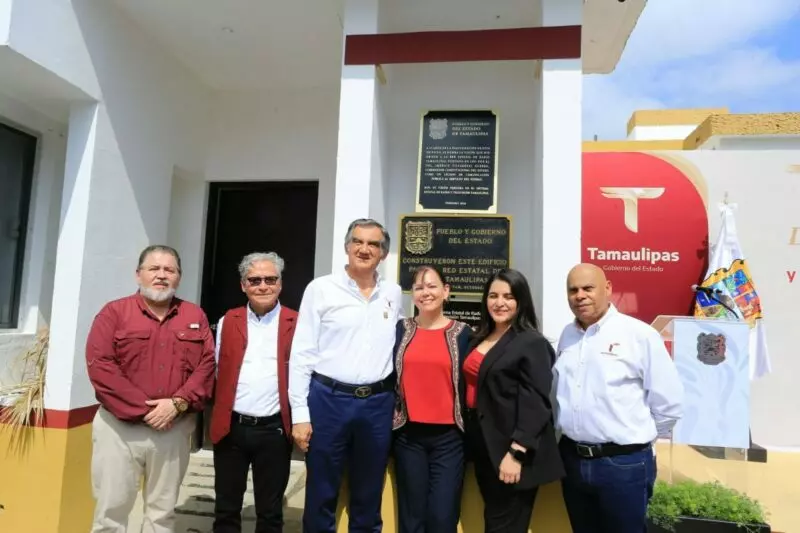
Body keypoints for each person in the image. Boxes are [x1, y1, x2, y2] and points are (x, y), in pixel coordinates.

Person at [85, 245, 216, 533]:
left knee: (162, 515)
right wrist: (147, 410)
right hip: (119, 431)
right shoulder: (114, 313)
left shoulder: (194, 315)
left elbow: (207, 365)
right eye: (154, 268)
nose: (161, 275)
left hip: (173, 429)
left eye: (169, 270)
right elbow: (101, 366)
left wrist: (177, 404)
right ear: (138, 274)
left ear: (179, 277)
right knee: (110, 515)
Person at [288, 218, 403, 533]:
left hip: (377, 403)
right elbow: (302, 354)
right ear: (346, 246)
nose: (364, 249)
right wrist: (300, 414)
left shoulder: (393, 293)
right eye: (358, 242)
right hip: (329, 401)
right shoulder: (321, 289)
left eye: (373, 244)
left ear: (383, 253)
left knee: (369, 491)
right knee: (321, 490)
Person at [554, 263, 684, 533]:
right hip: (573, 460)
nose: (580, 296)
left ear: (608, 289)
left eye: (588, 288)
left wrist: (636, 441)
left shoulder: (639, 335)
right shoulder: (567, 336)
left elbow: (668, 404)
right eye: (573, 290)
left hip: (623, 465)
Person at [462, 268, 564, 533]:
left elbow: (537, 404)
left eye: (508, 297)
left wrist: (516, 453)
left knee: (503, 526)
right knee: (494, 519)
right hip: (484, 446)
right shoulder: (480, 337)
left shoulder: (531, 343)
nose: (500, 303)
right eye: (493, 295)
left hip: (513, 451)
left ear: (521, 301)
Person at [209, 252, 298, 533]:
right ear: (243, 285)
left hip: (274, 430)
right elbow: (218, 368)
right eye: (255, 280)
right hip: (232, 428)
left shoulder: (296, 322)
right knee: (226, 508)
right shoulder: (228, 320)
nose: (263, 286)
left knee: (270, 511)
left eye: (270, 279)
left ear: (280, 283)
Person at [391, 265, 472, 533]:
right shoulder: (401, 330)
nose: (425, 292)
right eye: (419, 287)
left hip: (450, 439)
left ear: (446, 291)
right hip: (408, 436)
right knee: (411, 516)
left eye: (432, 286)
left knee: (442, 515)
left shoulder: (464, 334)